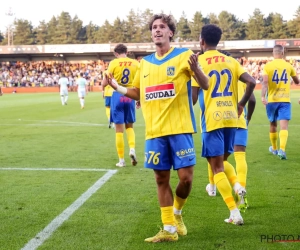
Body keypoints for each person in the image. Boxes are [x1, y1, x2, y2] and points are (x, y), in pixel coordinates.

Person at [104, 14, 208, 242]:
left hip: (180, 128)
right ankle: (168, 228)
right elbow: (138, 93)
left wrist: (197, 70)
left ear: (171, 32)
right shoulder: (145, 63)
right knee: (161, 179)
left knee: (186, 179)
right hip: (154, 132)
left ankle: (177, 213)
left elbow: (206, 84)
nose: (157, 30)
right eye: (154, 27)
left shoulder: (184, 56)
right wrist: (117, 87)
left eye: (162, 27)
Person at [190, 24, 256, 225]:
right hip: (232, 118)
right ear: (218, 41)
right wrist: (241, 104)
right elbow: (252, 82)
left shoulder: (198, 62)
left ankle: (234, 212)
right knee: (222, 162)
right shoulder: (231, 61)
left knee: (216, 166)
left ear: (202, 41)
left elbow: (192, 99)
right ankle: (236, 186)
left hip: (212, 119)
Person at [203, 51, 256, 213]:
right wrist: (247, 118)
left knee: (214, 159)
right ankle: (242, 190)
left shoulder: (208, 66)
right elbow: (252, 99)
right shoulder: (238, 73)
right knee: (239, 157)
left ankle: (213, 186)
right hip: (238, 119)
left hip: (218, 117)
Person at [103, 44, 139, 167]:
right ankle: (132, 149)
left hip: (117, 94)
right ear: (127, 52)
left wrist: (104, 82)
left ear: (116, 53)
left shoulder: (113, 63)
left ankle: (121, 160)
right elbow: (140, 81)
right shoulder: (135, 63)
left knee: (119, 130)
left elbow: (105, 82)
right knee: (130, 126)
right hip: (130, 94)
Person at [261, 44, 300, 159]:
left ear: (273, 53)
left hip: (272, 100)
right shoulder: (289, 66)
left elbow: (265, 83)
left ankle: (274, 148)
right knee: (284, 127)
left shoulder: (267, 66)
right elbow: (297, 81)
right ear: (282, 53)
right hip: (285, 100)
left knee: (273, 124)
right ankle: (282, 150)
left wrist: (263, 96)